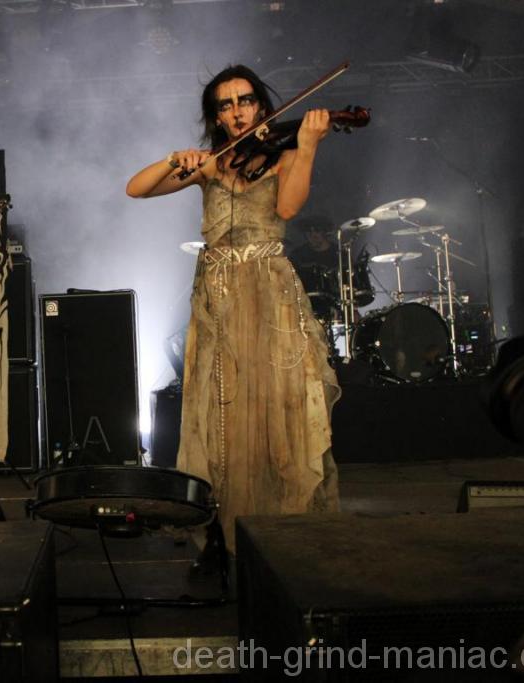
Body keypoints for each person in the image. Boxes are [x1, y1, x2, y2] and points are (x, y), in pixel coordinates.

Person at [126, 65, 341, 559]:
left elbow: (288, 209)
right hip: (218, 298)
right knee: (220, 410)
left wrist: (308, 146)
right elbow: (136, 188)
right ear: (217, 118)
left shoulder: (284, 155)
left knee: (277, 405)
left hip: (267, 291)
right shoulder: (210, 165)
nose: (238, 111)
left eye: (245, 100)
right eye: (226, 105)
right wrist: (173, 158)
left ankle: (282, 527)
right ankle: (223, 531)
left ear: (261, 106)